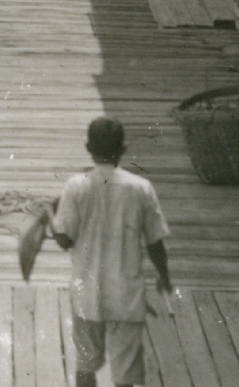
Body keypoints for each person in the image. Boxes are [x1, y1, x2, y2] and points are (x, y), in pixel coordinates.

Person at [34, 118, 172, 387]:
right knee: (126, 375)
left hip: (87, 293)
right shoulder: (141, 188)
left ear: (88, 147)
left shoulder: (76, 186)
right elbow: (155, 242)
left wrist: (50, 219)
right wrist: (163, 276)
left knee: (86, 366)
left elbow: (65, 240)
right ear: (124, 148)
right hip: (127, 295)